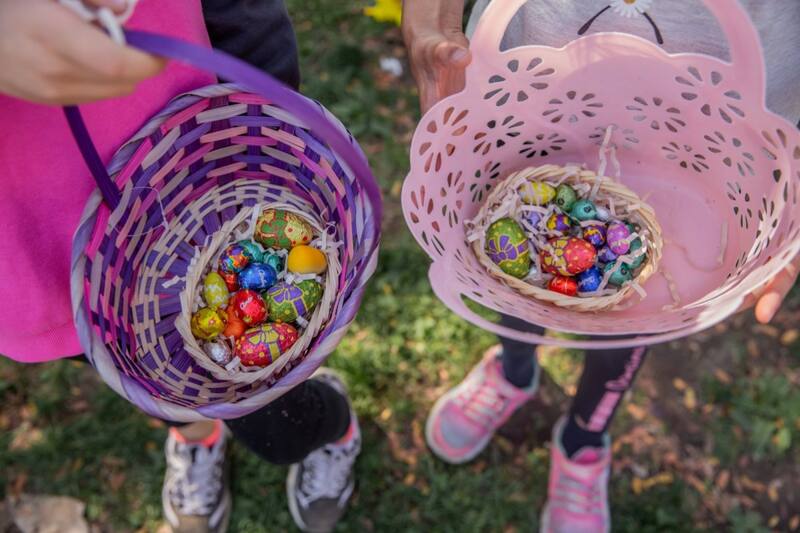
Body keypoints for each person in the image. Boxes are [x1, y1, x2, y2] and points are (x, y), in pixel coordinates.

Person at [401, 1, 800, 532]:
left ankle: (584, 437)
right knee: (517, 281)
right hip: (537, 87)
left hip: (717, 129)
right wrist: (432, 13)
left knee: (638, 315)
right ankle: (515, 372)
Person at [0, 1, 360, 532]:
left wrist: (263, 111)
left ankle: (332, 427)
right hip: (30, 258)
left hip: (191, 180)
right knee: (135, 371)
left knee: (280, 433)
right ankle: (195, 434)